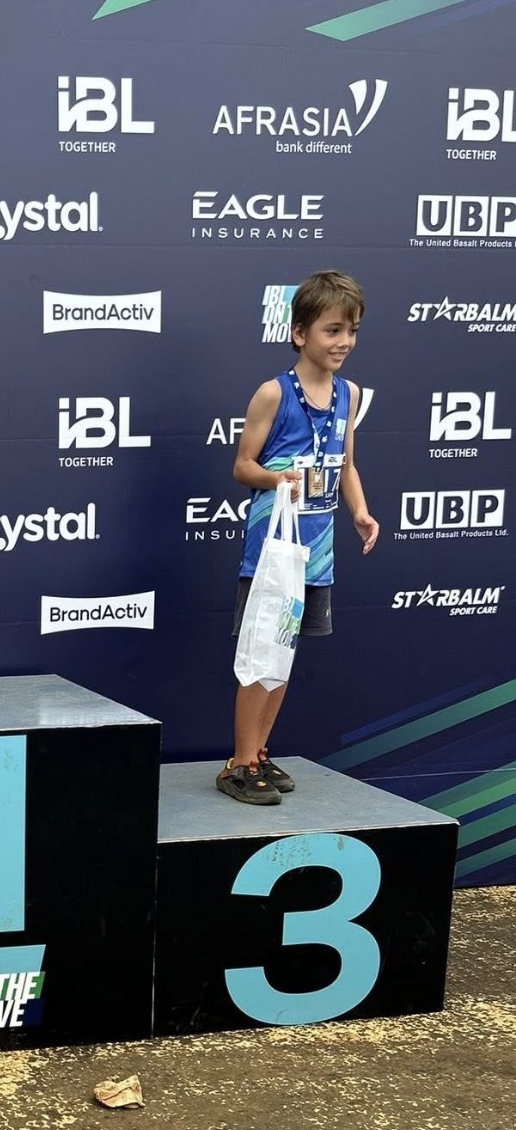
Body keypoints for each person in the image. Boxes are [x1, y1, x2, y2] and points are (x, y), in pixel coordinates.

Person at [218, 270, 379, 804]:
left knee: (284, 654)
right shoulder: (274, 394)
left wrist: (360, 512)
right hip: (271, 552)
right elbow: (242, 466)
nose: (344, 342)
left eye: (352, 331)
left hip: (318, 552)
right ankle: (239, 763)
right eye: (333, 330)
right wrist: (278, 478)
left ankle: (259, 752)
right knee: (261, 655)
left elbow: (346, 465)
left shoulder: (349, 393)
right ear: (300, 333)